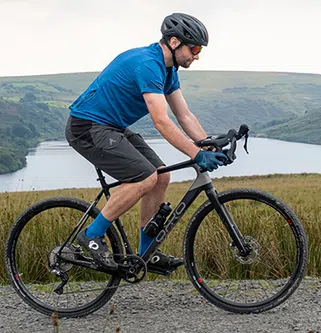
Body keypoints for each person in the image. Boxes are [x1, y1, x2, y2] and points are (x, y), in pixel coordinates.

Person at [65, 12, 227, 274]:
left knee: (161, 177)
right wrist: (196, 154)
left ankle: (146, 253)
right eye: (195, 48)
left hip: (111, 127)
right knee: (145, 177)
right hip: (86, 126)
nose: (197, 55)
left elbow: (184, 115)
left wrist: (207, 144)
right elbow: (161, 121)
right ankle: (91, 236)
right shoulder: (148, 64)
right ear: (174, 42)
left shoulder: (168, 70)